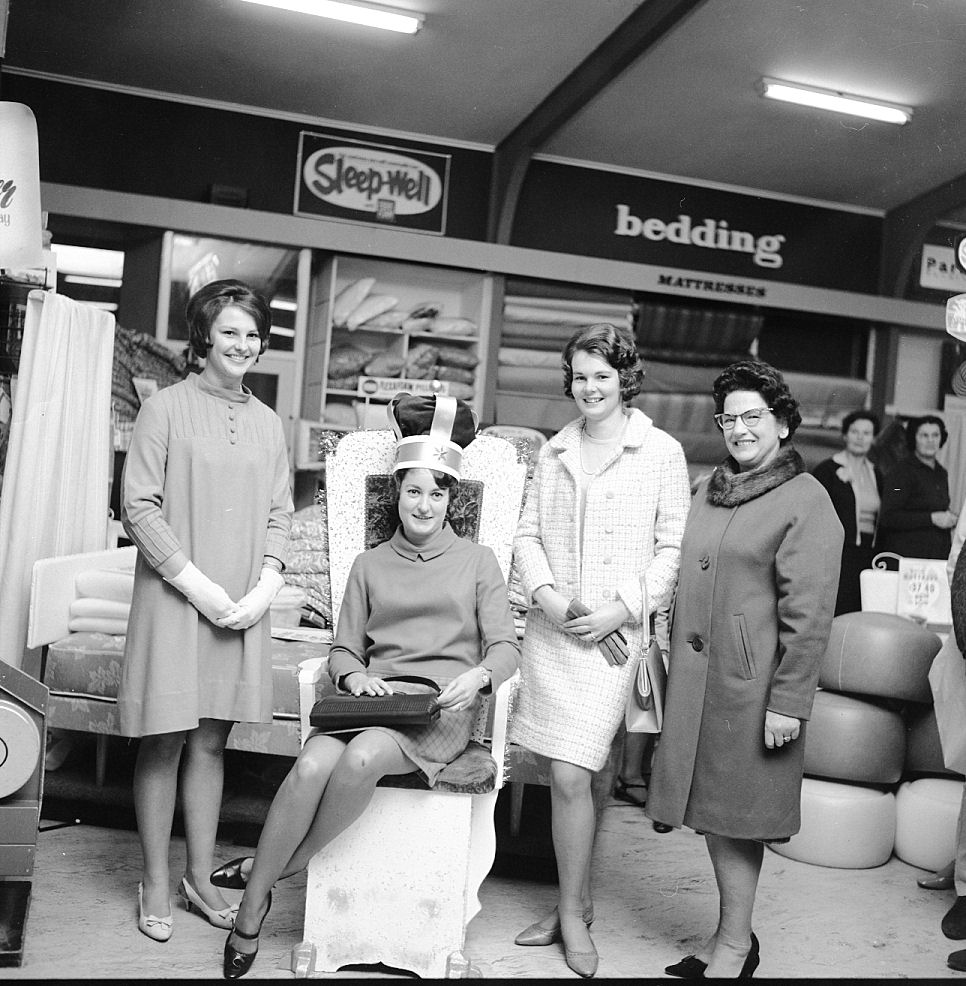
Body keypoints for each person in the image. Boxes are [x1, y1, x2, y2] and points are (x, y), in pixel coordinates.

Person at [211, 393, 520, 979]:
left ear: (452, 497)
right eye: (413, 490)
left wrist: (478, 677)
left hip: (439, 708)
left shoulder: (479, 562)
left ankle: (275, 872)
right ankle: (252, 909)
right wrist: (355, 676)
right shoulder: (369, 564)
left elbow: (504, 648)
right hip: (375, 696)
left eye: (438, 492)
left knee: (359, 759)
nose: (424, 504)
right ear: (396, 493)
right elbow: (343, 649)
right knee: (306, 768)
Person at [646, 359, 843, 979]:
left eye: (752, 416)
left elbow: (808, 618)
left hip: (752, 691)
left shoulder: (806, 500)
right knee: (712, 813)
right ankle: (730, 936)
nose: (739, 428)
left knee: (737, 818)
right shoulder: (711, 486)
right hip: (701, 685)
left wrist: (788, 701)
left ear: (782, 421)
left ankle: (734, 946)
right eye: (728, 418)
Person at [509, 322, 691, 979]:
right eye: (581, 375)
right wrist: (554, 601)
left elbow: (674, 543)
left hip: (617, 637)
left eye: (603, 376)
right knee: (574, 773)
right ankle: (576, 904)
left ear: (625, 379)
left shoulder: (661, 451)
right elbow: (526, 535)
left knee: (570, 773)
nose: (590, 387)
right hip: (557, 631)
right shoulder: (553, 452)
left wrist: (623, 607)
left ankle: (567, 914)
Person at [118, 279, 294, 942]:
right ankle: (156, 882)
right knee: (164, 737)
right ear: (204, 338)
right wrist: (198, 586)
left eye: (252, 334)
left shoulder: (268, 421)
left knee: (212, 741)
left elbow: (280, 512)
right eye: (230, 333)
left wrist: (263, 588)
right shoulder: (163, 408)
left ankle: (197, 876)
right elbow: (139, 505)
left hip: (241, 603)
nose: (243, 345)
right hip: (175, 596)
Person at [811, 410, 884, 614]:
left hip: (868, 553)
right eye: (855, 431)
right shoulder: (827, 469)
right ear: (845, 435)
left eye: (867, 433)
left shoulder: (876, 473)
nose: (860, 438)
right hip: (839, 553)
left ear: (873, 438)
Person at [878, 414, 957, 559]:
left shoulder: (941, 473)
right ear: (913, 438)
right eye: (924, 435)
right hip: (908, 559)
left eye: (935, 435)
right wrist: (931, 519)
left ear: (942, 439)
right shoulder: (901, 472)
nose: (930, 441)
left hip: (936, 560)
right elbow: (889, 517)